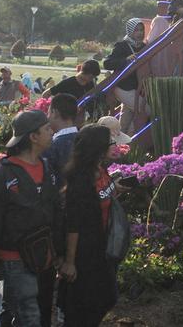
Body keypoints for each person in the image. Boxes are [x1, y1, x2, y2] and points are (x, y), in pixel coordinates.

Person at [0, 110, 62, 327]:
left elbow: (55, 211)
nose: (52, 132)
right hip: (15, 258)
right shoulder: (4, 174)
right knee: (29, 316)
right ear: (33, 137)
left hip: (44, 256)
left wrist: (60, 253)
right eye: (47, 129)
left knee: (38, 314)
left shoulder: (47, 168)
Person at [60, 124, 127, 326]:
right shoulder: (80, 180)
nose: (113, 146)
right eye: (110, 142)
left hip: (102, 246)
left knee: (106, 298)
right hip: (85, 252)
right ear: (98, 147)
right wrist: (69, 262)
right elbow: (74, 224)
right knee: (85, 305)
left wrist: (115, 189)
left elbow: (102, 196)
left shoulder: (100, 170)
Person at [103, 19, 145, 128]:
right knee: (146, 110)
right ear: (130, 31)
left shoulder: (144, 46)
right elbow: (107, 63)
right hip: (123, 87)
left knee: (126, 121)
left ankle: (120, 137)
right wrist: (125, 60)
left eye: (141, 30)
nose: (140, 33)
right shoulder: (122, 46)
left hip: (137, 89)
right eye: (136, 30)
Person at [42, 93, 81, 189]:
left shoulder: (52, 146)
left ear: (55, 113)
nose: (47, 117)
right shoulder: (85, 138)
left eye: (48, 112)